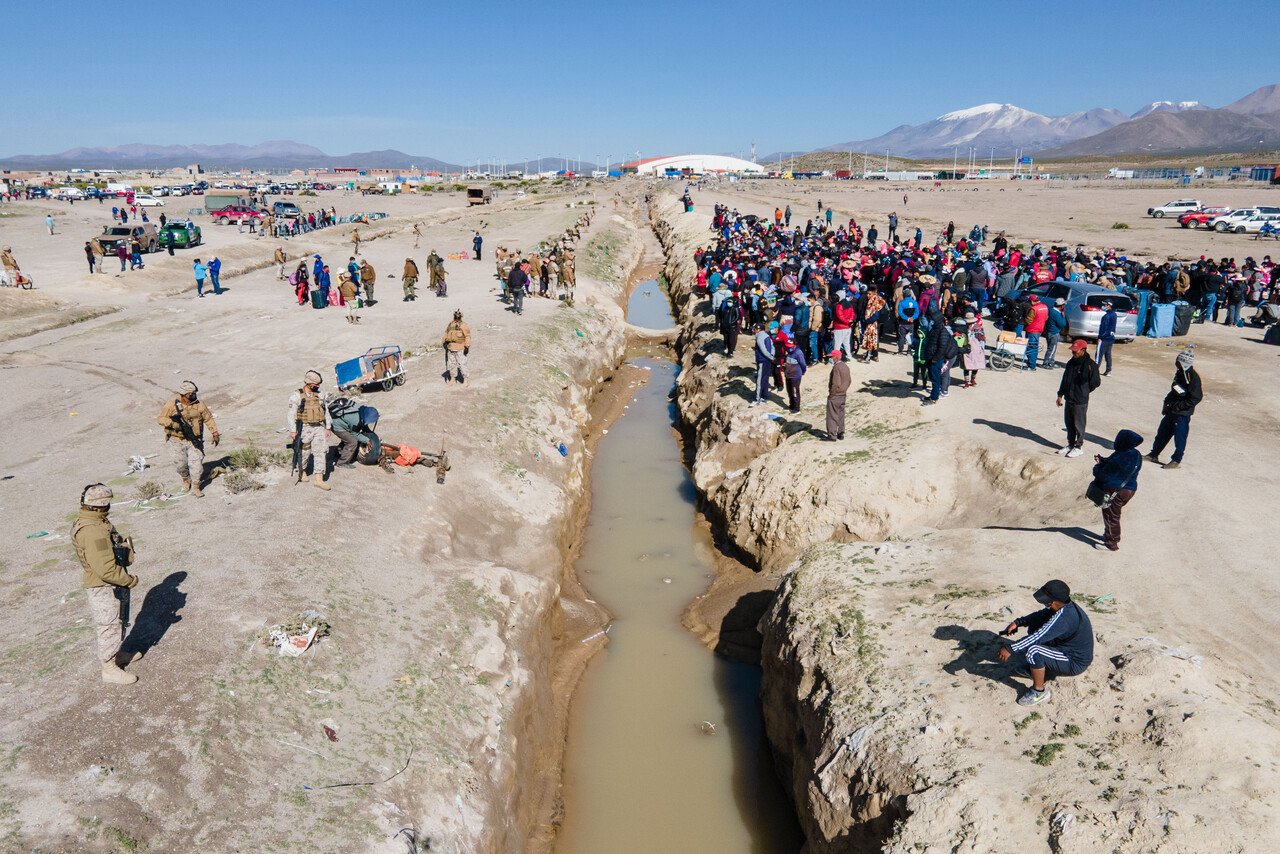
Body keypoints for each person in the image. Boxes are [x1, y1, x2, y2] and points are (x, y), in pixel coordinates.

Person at [72, 484, 142, 685]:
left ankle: (117, 654)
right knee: (109, 624)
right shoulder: (92, 530)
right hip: (102, 585)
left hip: (108, 582)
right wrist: (129, 581)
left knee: (117, 620)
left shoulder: (96, 521)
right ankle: (109, 668)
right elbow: (105, 569)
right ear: (101, 505)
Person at [997, 579, 1093, 707]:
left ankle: (1039, 692)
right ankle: (1039, 669)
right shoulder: (1064, 607)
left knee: (1033, 651)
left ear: (1053, 602)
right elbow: (1042, 615)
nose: (1044, 604)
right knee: (1034, 628)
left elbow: (1038, 637)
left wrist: (1010, 648)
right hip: (1064, 649)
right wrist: (1019, 622)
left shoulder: (1064, 618)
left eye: (1045, 601)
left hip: (1074, 661)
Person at [157, 380, 220, 496]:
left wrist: (215, 433)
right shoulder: (171, 405)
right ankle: (186, 480)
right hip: (177, 441)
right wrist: (172, 424)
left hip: (194, 441)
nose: (193, 396)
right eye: (190, 394)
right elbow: (160, 419)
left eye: (194, 393)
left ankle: (196, 486)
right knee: (180, 465)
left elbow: (208, 418)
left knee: (197, 466)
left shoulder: (199, 405)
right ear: (183, 394)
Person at [1146, 349, 1202, 470]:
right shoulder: (1180, 373)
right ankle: (1154, 454)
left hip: (1181, 414)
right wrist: (1166, 403)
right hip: (1171, 411)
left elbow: (1197, 397)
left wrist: (1179, 406)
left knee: (1179, 437)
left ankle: (1176, 460)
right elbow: (1174, 390)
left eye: (1178, 361)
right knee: (1162, 434)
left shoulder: (1192, 377)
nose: (1176, 363)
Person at [1092, 429, 1144, 551]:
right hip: (1129, 489)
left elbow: (1103, 475)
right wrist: (1103, 460)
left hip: (1116, 491)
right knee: (1112, 514)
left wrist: (1097, 466)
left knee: (1111, 515)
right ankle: (1108, 535)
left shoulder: (1120, 456)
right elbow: (1116, 466)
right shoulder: (1135, 453)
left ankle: (1111, 543)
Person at [288, 371, 332, 490]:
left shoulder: (320, 395)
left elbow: (325, 411)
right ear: (308, 383)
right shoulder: (297, 396)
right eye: (315, 384)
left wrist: (328, 427)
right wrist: (293, 431)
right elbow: (291, 414)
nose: (317, 387)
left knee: (321, 451)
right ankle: (302, 471)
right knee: (304, 452)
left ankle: (319, 479)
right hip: (304, 427)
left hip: (318, 427)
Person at [1055, 340, 1101, 457]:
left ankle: (1078, 447)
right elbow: (1065, 380)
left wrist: (1084, 391)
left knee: (1078, 424)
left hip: (1080, 400)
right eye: (1073, 351)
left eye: (1076, 351)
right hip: (1069, 398)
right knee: (1069, 423)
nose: (1074, 354)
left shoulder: (1091, 365)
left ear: (1083, 350)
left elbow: (1095, 383)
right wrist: (1060, 395)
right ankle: (1070, 444)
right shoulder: (1071, 363)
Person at [922, 306, 958, 405]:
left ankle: (934, 398)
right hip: (930, 358)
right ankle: (933, 395)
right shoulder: (934, 330)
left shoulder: (943, 332)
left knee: (936, 379)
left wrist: (935, 358)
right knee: (932, 378)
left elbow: (942, 348)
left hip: (935, 359)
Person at [825, 348, 850, 440]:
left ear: (836, 358)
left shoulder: (836, 368)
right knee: (840, 413)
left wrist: (832, 394)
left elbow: (836, 383)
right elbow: (849, 381)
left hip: (836, 395)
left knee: (832, 415)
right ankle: (841, 432)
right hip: (843, 394)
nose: (831, 358)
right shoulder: (845, 366)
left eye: (832, 357)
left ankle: (832, 435)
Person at [442, 309, 471, 385]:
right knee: (452, 364)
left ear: (461, 316)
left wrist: (467, 346)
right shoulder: (450, 324)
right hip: (451, 347)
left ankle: (465, 380)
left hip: (460, 347)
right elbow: (446, 333)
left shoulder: (464, 325)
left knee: (462, 364)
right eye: (456, 315)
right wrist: (444, 342)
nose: (457, 317)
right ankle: (453, 379)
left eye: (458, 315)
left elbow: (467, 336)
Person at [780, 333, 807, 412]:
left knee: (795, 392)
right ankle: (791, 405)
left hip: (795, 376)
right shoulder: (789, 352)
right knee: (789, 391)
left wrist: (803, 371)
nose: (788, 348)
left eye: (790, 347)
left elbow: (803, 364)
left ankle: (796, 408)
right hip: (788, 375)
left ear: (795, 345)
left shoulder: (798, 353)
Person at [751, 322, 775, 406]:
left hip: (762, 360)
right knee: (765, 378)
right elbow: (772, 347)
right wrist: (772, 356)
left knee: (760, 379)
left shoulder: (759, 337)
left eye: (754, 329)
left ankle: (757, 398)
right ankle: (765, 396)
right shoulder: (767, 335)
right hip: (768, 360)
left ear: (758, 329)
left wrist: (770, 357)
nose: (753, 331)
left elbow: (763, 350)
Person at [1023, 294, 1047, 370]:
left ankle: (1031, 365)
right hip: (1039, 330)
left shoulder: (1033, 309)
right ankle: (1032, 363)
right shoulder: (1045, 307)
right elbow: (1046, 318)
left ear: (1032, 301)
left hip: (1032, 330)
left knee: (1031, 348)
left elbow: (1028, 320)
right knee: (1035, 348)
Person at [1042, 297, 1067, 368]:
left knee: (1051, 348)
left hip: (1049, 332)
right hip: (1054, 333)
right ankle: (1046, 363)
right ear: (1061, 306)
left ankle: (1051, 362)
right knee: (1052, 349)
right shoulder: (1057, 314)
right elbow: (1062, 324)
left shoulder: (1050, 310)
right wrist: (1063, 315)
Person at [717, 288, 742, 356]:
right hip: (725, 326)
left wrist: (732, 322)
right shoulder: (725, 308)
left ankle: (730, 351)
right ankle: (727, 349)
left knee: (731, 339)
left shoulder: (735, 308)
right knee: (726, 338)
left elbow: (738, 316)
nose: (729, 303)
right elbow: (721, 315)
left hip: (732, 326)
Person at [1096, 299, 1117, 375]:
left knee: (1099, 354)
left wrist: (1100, 337)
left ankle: (1095, 369)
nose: (1103, 306)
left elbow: (1104, 327)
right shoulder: (1114, 314)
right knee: (1108, 354)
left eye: (1105, 305)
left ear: (1109, 305)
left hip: (1104, 338)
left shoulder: (1107, 316)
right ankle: (1108, 370)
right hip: (1111, 338)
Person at [896, 287, 919, 354]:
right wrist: (912, 318)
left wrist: (907, 318)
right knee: (910, 336)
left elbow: (900, 313)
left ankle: (900, 351)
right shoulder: (915, 303)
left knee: (902, 337)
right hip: (911, 323)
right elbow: (917, 313)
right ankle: (909, 351)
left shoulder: (901, 303)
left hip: (903, 322)